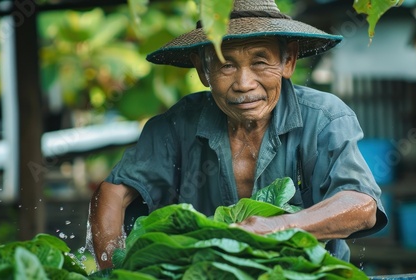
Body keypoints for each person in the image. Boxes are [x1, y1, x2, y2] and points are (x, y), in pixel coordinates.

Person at [89, 0, 388, 270]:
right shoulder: (177, 125)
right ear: (203, 69)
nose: (244, 84)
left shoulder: (324, 118)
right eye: (226, 64)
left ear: (288, 61)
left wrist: (277, 227)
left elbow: (362, 206)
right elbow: (111, 194)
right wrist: (114, 273)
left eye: (260, 61)